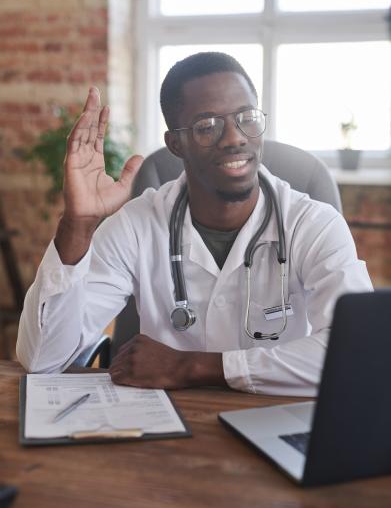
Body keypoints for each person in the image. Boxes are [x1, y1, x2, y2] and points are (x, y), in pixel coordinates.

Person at [16, 52, 372, 396]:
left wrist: (193, 366)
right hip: (167, 425)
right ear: (176, 144)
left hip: (273, 416)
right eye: (207, 126)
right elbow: (43, 360)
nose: (234, 138)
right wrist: (77, 224)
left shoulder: (315, 225)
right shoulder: (138, 225)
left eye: (247, 117)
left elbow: (358, 355)